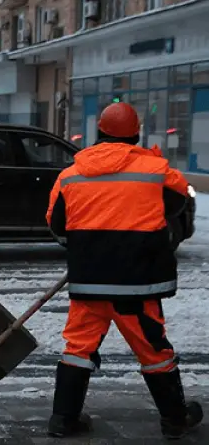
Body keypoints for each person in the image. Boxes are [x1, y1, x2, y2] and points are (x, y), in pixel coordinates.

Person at [45, 102, 201, 439]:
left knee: (78, 347)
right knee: (153, 350)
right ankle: (175, 418)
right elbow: (179, 204)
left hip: (89, 281)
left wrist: (89, 242)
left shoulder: (70, 175)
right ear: (136, 133)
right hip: (137, 284)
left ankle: (63, 419)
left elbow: (56, 225)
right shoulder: (155, 169)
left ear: (98, 133)